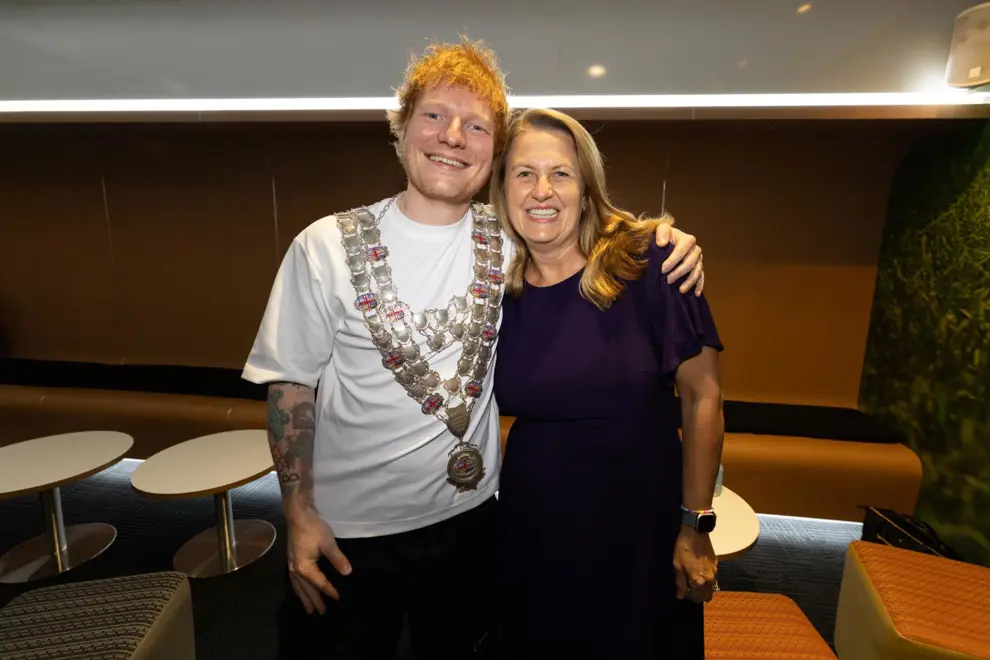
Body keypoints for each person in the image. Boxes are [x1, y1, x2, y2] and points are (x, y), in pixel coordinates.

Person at [242, 37, 707, 660]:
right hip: (348, 535)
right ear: (401, 128)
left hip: (474, 525)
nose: (452, 136)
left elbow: (591, 228)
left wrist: (670, 239)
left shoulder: (515, 238)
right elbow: (290, 386)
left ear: (492, 153)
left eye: (476, 125)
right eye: (435, 115)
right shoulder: (323, 245)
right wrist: (297, 515)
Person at [490, 107, 724, 659]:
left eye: (561, 173)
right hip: (535, 524)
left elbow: (703, 396)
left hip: (637, 524)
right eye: (524, 173)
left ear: (586, 187)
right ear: (501, 189)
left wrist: (695, 527)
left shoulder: (651, 261)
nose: (542, 190)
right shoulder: (492, 288)